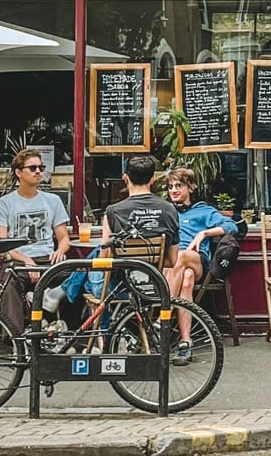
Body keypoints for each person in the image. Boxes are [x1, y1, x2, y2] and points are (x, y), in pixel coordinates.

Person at [100, 154, 194, 364]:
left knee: (91, 275)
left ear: (126, 178)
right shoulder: (169, 209)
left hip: (125, 285)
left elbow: (104, 258)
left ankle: (98, 341)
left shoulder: (113, 212)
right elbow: (171, 260)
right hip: (156, 283)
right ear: (153, 180)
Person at [0, 148, 72, 332]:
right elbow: (0, 244)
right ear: (19, 173)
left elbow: (64, 237)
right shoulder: (4, 204)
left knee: (77, 275)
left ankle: (69, 333)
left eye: (41, 167)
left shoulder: (53, 200)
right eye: (32, 167)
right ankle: (14, 337)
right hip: (19, 260)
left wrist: (60, 251)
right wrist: (27, 261)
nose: (38, 172)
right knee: (10, 280)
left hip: (48, 258)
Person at [164, 167, 238, 290]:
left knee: (180, 256)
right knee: (187, 278)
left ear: (191, 187)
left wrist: (204, 233)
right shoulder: (167, 212)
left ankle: (165, 308)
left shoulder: (203, 211)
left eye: (178, 186)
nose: (173, 190)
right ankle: (180, 309)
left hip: (196, 258)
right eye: (170, 187)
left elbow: (232, 227)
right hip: (172, 260)